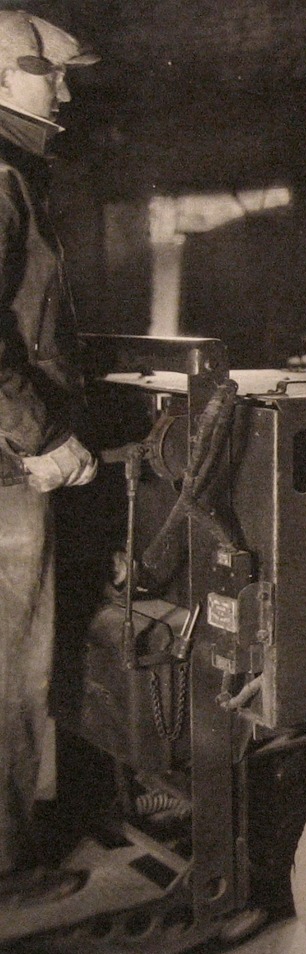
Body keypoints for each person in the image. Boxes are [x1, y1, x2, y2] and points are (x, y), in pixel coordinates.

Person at [0, 10, 99, 907]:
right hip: (6, 471)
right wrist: (43, 438)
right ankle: (8, 869)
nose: (64, 93)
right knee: (10, 670)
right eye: (50, 74)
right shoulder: (0, 178)